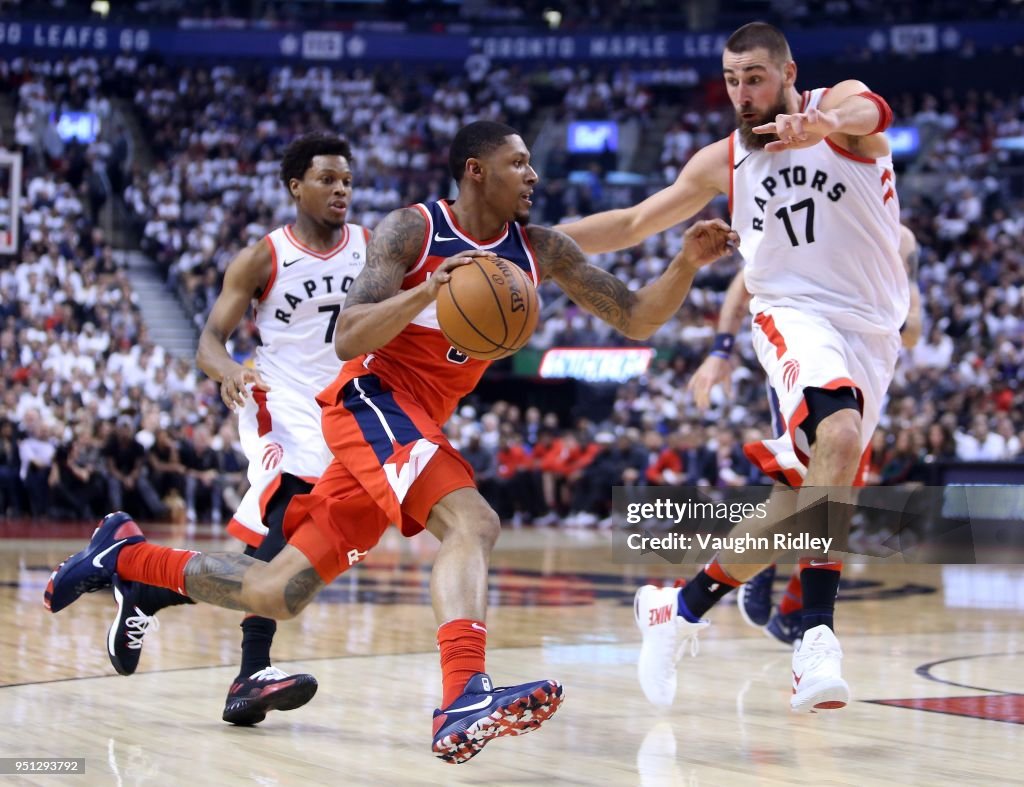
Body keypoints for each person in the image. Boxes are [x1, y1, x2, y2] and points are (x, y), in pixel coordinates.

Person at [45, 120, 737, 763]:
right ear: (475, 171)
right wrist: (422, 295)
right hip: (371, 398)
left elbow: (639, 316)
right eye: (517, 163)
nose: (532, 175)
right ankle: (463, 696)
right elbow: (348, 335)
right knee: (474, 520)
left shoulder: (541, 250)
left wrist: (684, 262)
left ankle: (128, 555)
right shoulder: (414, 230)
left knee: (275, 590)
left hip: (414, 422)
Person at [559, 22, 908, 713]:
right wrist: (533, 247)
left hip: (873, 333)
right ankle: (816, 640)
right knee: (836, 438)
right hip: (792, 316)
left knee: (797, 508)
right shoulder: (722, 160)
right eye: (731, 80)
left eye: (754, 77)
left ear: (786, 73)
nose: (742, 93)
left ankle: (678, 608)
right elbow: (632, 223)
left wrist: (823, 120)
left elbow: (873, 111)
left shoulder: (840, 114)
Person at [102, 132, 369, 727]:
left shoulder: (372, 249)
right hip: (277, 397)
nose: (341, 190)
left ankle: (144, 581)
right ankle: (251, 671)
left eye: (347, 180)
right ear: (296, 186)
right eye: (327, 179)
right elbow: (208, 343)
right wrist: (227, 371)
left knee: (281, 551)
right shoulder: (262, 257)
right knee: (293, 505)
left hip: (342, 406)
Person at [699, 224, 923, 642]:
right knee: (802, 486)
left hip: (862, 366)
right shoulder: (817, 207)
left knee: (839, 494)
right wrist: (721, 348)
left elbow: (912, 331)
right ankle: (755, 569)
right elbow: (742, 285)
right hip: (806, 354)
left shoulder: (901, 241)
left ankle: (791, 612)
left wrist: (889, 309)